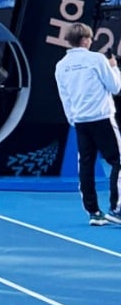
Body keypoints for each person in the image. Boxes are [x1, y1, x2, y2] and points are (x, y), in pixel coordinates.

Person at [52, 22, 121, 226]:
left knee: (86, 165)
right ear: (84, 40)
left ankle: (94, 212)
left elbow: (64, 97)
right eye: (90, 38)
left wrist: (73, 118)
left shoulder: (61, 65)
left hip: (80, 121)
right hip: (102, 118)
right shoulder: (97, 59)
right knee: (119, 160)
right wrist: (115, 68)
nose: (91, 41)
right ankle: (116, 209)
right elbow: (116, 87)